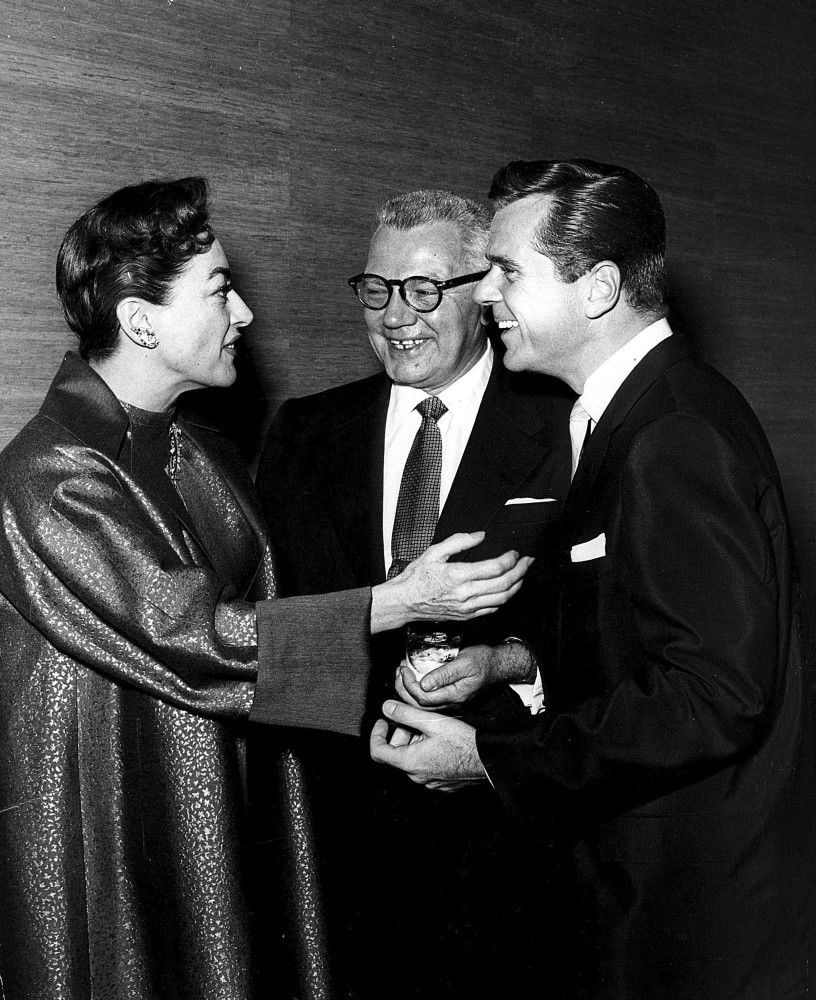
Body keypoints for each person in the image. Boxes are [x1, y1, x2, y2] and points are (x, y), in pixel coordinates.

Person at [0, 177, 531, 1000]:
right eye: (220, 290)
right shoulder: (48, 474)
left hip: (216, 810)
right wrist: (398, 601)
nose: (245, 313)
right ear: (142, 320)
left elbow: (271, 611)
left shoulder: (200, 453)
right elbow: (197, 633)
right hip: (112, 827)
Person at [371, 160, 815, 999]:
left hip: (693, 914)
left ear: (599, 287)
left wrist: (493, 759)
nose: (486, 296)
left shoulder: (674, 433)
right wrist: (515, 664)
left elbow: (715, 695)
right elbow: (638, 638)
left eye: (507, 272)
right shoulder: (613, 415)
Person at [254, 189, 573, 999]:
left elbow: (608, 635)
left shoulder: (567, 431)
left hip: (502, 850)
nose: (397, 315)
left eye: (425, 290)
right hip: (335, 851)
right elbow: (273, 625)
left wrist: (506, 660)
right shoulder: (300, 432)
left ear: (485, 291)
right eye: (377, 289)